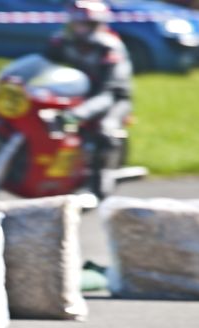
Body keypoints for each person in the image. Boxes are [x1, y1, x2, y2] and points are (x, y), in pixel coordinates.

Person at [45, 0, 133, 198]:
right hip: (76, 94)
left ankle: (102, 176)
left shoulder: (110, 48)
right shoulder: (61, 42)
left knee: (105, 129)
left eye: (85, 24)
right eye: (77, 23)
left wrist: (76, 114)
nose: (80, 29)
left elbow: (110, 92)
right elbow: (43, 65)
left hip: (112, 98)